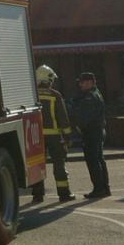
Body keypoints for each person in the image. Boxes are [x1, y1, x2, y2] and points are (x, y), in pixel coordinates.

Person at [31, 65, 77, 203]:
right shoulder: (55, 95)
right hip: (55, 136)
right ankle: (64, 194)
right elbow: (63, 118)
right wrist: (68, 136)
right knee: (59, 164)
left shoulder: (32, 95)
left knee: (37, 165)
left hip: (36, 137)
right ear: (48, 79)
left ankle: (37, 195)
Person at [70, 72, 111, 198]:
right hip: (97, 131)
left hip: (92, 132)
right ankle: (104, 187)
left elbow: (83, 117)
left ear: (89, 83)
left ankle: (99, 188)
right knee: (99, 159)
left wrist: (74, 116)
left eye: (82, 82)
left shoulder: (90, 97)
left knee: (93, 161)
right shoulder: (94, 94)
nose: (80, 85)